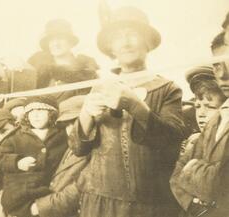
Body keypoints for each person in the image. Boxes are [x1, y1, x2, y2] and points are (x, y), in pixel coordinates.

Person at [70, 7, 185, 217]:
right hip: (99, 202)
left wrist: (134, 105)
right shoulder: (100, 87)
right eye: (118, 37)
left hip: (150, 204)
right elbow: (77, 149)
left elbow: (171, 143)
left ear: (147, 43)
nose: (125, 42)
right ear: (111, 49)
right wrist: (86, 114)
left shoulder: (168, 89)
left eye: (132, 34)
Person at [169, 32, 229, 217]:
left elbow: (219, 182)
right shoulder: (218, 119)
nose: (223, 74)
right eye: (217, 65)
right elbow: (176, 178)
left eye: (209, 106)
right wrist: (198, 209)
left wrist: (193, 170)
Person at [0, 95, 68, 217]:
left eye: (40, 111)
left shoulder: (61, 135)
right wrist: (17, 162)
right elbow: (0, 159)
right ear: (26, 115)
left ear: (51, 113)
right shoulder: (15, 136)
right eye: (31, 111)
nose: (35, 115)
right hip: (19, 190)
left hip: (48, 190)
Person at [31, 95, 90, 217]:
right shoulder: (69, 146)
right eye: (65, 125)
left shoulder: (95, 150)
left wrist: (40, 207)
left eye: (74, 122)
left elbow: (81, 189)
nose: (70, 130)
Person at [28, 19, 99, 103]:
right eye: (51, 40)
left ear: (70, 42)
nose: (56, 44)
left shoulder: (87, 71)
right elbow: (24, 96)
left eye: (60, 39)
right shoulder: (40, 71)